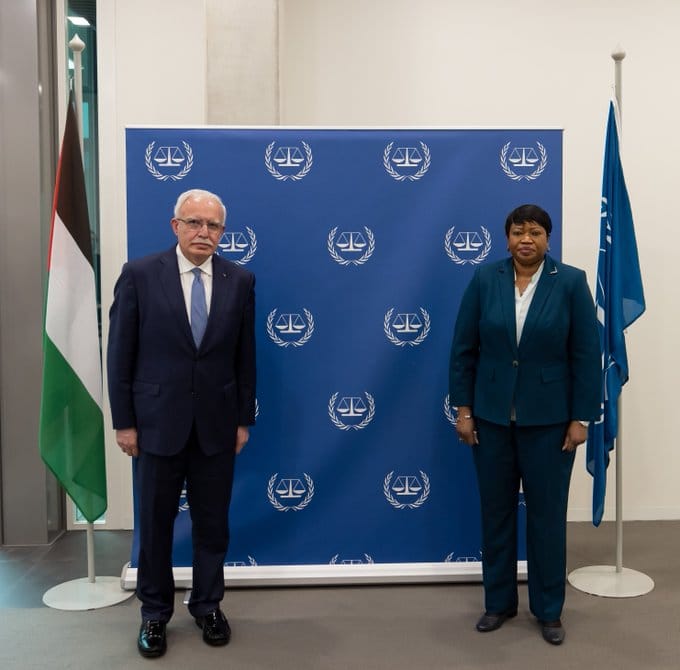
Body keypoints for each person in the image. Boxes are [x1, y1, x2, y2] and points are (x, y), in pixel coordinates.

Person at [107, 188, 256, 658]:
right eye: (194, 223)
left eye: (212, 226)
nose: (203, 233)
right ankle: (154, 614)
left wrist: (242, 419)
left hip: (216, 426)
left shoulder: (240, 280)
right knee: (155, 525)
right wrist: (125, 422)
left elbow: (244, 358)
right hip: (155, 426)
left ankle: (208, 606)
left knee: (213, 526)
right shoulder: (139, 275)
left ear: (222, 233)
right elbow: (120, 355)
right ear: (175, 226)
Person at [448, 203, 600, 646]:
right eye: (518, 232)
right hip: (491, 421)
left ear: (548, 239)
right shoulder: (483, 279)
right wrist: (464, 410)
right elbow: (463, 351)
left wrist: (581, 417)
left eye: (535, 232)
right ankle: (498, 603)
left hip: (551, 425)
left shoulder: (570, 282)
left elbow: (586, 356)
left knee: (547, 519)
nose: (526, 239)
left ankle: (548, 610)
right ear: (507, 238)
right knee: (495, 514)